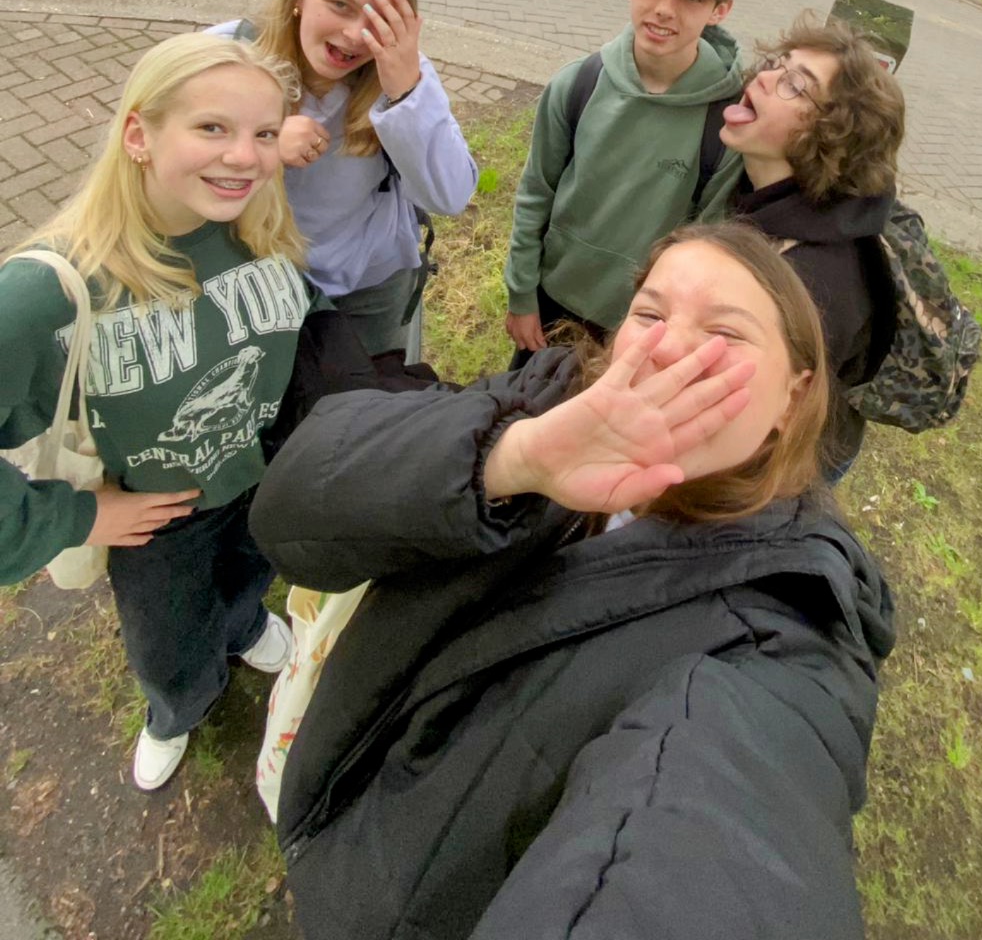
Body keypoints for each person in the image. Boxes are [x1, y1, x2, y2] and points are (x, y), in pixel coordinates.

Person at [251, 222, 895, 940]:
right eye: (649, 314)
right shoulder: (546, 397)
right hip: (336, 795)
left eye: (725, 333)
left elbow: (721, 829)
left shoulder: (784, 621)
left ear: (792, 398)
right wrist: (510, 461)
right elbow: (287, 512)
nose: (666, 347)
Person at [0, 35, 315, 791]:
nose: (244, 156)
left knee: (247, 578)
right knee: (167, 640)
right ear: (138, 134)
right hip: (154, 519)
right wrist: (78, 516)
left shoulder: (260, 231)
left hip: (257, 482)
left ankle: (243, 627)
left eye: (264, 133)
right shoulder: (44, 293)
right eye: (212, 128)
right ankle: (178, 709)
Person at [208, 0, 478, 358]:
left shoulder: (403, 74)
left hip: (366, 293)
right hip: (245, 283)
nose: (354, 34)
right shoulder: (227, 53)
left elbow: (450, 196)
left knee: (364, 399)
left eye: (378, 19)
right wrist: (264, 142)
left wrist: (405, 93)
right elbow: (157, 161)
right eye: (339, 5)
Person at [504, 0, 748, 363]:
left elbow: (706, 250)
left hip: (642, 326)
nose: (665, 9)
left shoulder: (725, 122)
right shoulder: (577, 84)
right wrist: (521, 294)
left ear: (720, 9)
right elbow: (536, 192)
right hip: (552, 302)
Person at [714, 12, 904, 473]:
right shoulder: (763, 190)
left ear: (831, 135)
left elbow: (752, 433)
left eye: (795, 85)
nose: (764, 78)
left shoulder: (812, 281)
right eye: (777, 63)